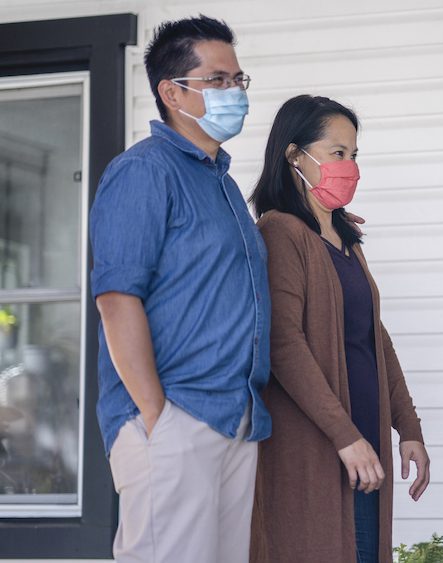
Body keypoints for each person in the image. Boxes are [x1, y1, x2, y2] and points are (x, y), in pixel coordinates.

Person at [89, 15, 270, 563]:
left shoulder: (223, 184)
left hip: (236, 416)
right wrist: (157, 417)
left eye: (238, 80)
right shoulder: (144, 172)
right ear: (172, 92)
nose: (233, 91)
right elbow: (116, 300)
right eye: (217, 80)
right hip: (176, 417)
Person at [249, 95, 429, 563]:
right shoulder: (281, 232)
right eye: (337, 153)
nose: (350, 167)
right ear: (295, 156)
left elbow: (374, 337)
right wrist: (344, 435)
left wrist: (407, 427)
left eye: (354, 155)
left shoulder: (346, 239)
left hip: (363, 446)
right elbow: (282, 343)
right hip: (319, 451)